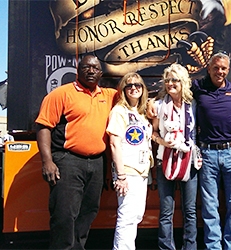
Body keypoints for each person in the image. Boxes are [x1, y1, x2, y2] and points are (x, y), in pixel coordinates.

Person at [35, 55, 117, 249]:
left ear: (101, 73)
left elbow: (136, 96)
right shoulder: (61, 94)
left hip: (97, 163)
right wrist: (47, 161)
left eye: (95, 68)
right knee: (64, 215)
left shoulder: (109, 95)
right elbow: (43, 127)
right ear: (77, 70)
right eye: (86, 67)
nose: (90, 71)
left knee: (88, 212)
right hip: (67, 161)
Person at [192, 52, 231, 249]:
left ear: (228, 70)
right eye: (216, 68)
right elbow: (176, 95)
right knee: (210, 206)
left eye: (223, 68)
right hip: (207, 154)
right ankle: (213, 246)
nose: (219, 72)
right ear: (209, 69)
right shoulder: (198, 87)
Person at [151, 63, 200, 249]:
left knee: (190, 210)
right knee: (166, 210)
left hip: (189, 160)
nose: (171, 83)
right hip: (165, 159)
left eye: (175, 80)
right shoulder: (159, 105)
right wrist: (163, 142)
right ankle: (166, 247)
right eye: (168, 80)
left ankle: (190, 246)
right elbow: (153, 132)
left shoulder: (193, 104)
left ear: (183, 82)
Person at [106, 72, 152, 250]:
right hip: (128, 172)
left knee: (136, 216)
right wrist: (121, 175)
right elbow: (114, 144)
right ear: (123, 90)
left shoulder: (140, 113)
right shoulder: (119, 111)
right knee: (126, 217)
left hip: (141, 172)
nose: (134, 88)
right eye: (129, 85)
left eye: (138, 85)